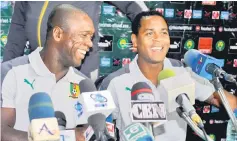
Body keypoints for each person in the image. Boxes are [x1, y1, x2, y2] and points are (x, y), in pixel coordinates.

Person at [99, 11, 237, 141]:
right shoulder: (114, 82)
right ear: (135, 40)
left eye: (163, 33)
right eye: (149, 33)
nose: (158, 39)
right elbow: (97, 130)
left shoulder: (180, 71)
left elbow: (223, 101)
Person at [1, 4, 95, 141]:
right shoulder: (10, 72)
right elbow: (2, 132)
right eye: (84, 35)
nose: (90, 43)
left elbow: (87, 132)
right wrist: (40, 138)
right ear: (58, 34)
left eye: (91, 37)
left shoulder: (84, 84)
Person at [2, 1, 148, 80]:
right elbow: (18, 29)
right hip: (39, 68)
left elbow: (133, 4)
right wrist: (7, 73)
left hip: (81, 69)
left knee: (81, 126)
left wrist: (149, 31)